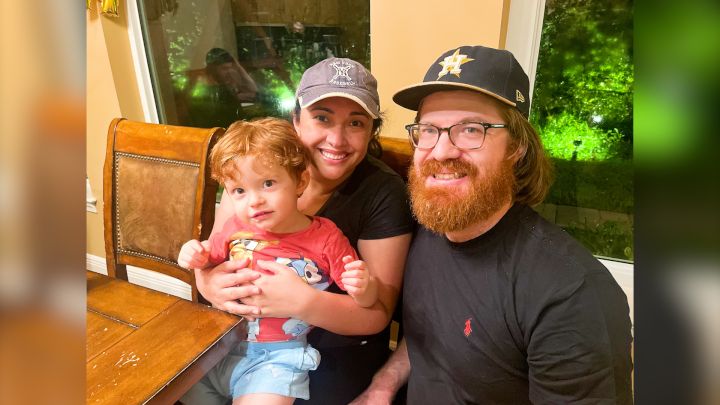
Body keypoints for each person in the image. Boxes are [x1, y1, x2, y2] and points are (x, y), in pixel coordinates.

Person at [351, 45, 634, 404]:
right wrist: (384, 384)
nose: (441, 151)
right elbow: (435, 333)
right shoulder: (431, 227)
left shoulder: (572, 296)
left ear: (517, 147)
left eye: (471, 129)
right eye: (429, 130)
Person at [188, 57, 415, 404]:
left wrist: (303, 302)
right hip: (239, 337)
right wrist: (207, 282)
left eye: (356, 123)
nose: (337, 140)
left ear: (372, 131)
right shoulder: (252, 168)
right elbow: (215, 250)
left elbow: (377, 314)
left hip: (332, 352)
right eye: (322, 118)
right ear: (295, 120)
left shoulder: (383, 194)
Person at [178, 118, 378, 404]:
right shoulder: (234, 227)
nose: (254, 201)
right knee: (166, 390)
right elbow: (209, 261)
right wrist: (195, 254)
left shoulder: (326, 238)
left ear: (300, 182)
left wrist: (364, 286)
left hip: (278, 358)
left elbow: (366, 301)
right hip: (219, 344)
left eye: (268, 184)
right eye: (239, 191)